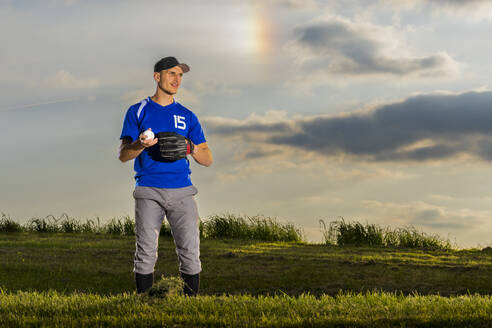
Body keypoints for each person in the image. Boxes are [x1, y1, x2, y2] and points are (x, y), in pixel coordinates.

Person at [118, 56, 213, 296]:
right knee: (146, 250)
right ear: (157, 76)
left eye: (180, 75)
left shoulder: (187, 115)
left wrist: (190, 148)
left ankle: (190, 302)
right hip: (149, 188)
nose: (177, 79)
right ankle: (144, 301)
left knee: (190, 249)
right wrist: (140, 143)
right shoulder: (137, 110)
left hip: (182, 190)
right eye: (171, 73)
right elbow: (123, 155)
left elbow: (207, 158)